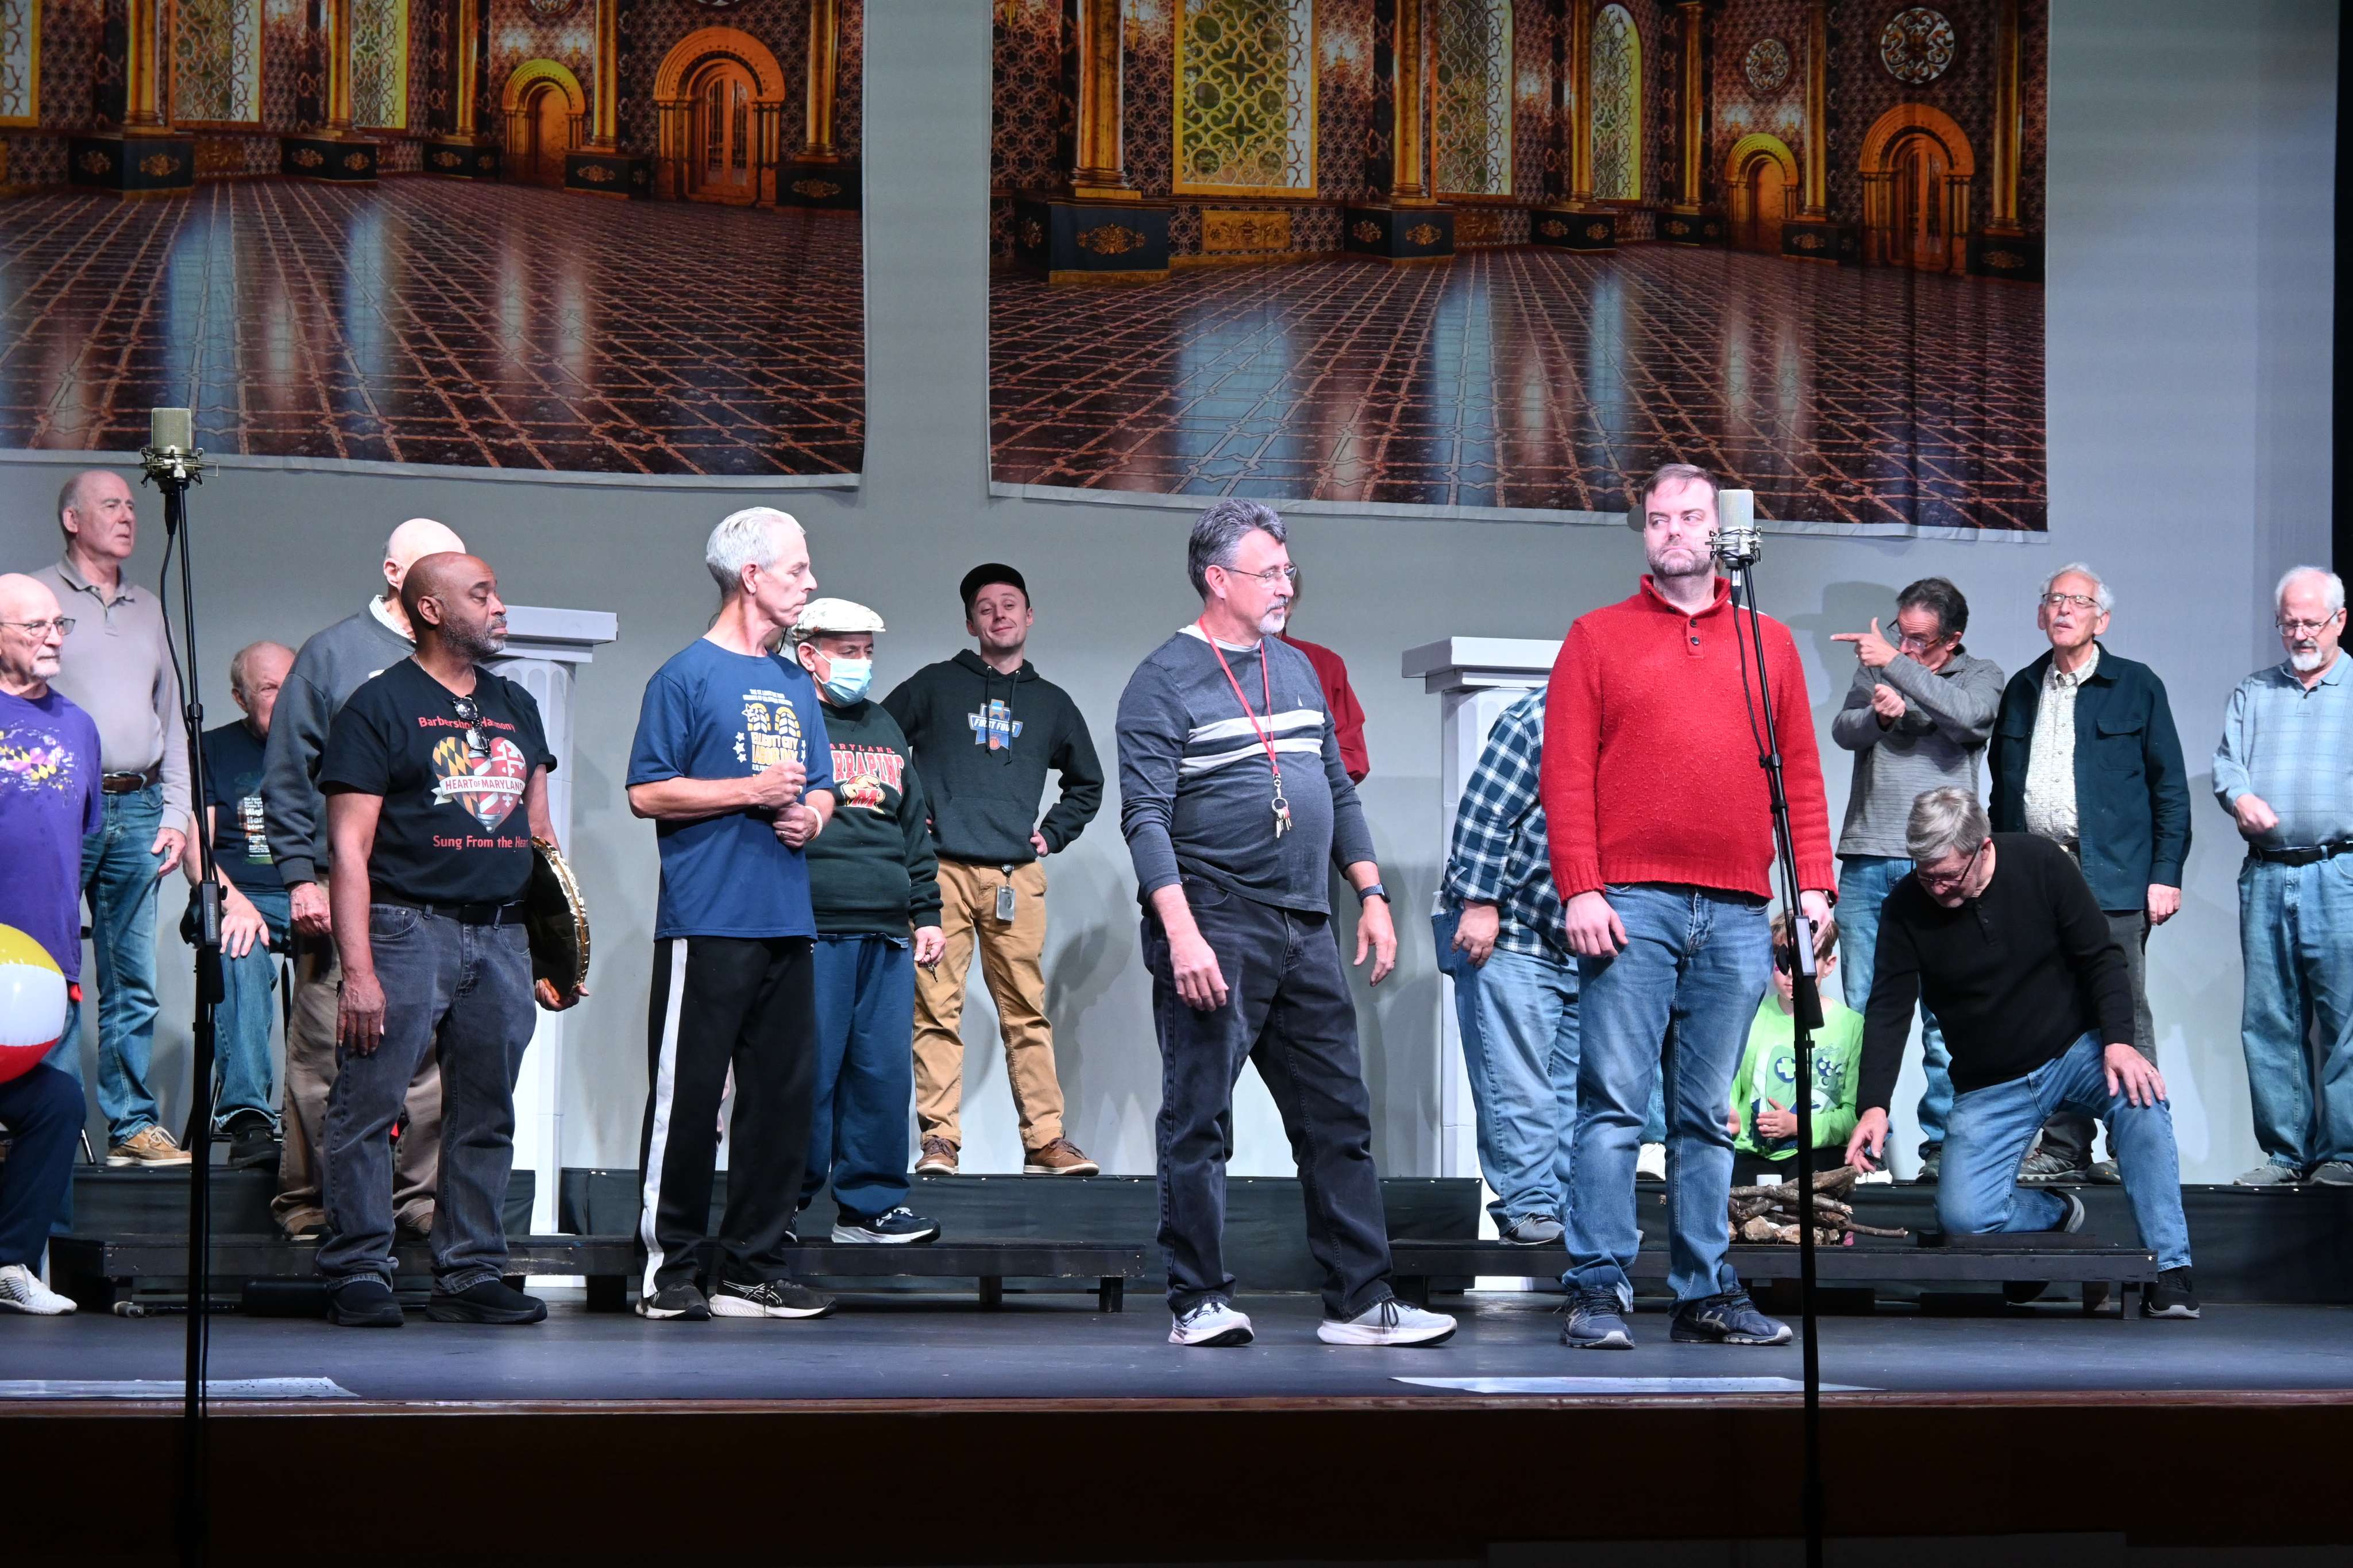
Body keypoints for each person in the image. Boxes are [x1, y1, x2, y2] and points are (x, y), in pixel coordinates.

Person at [1117, 499, 1454, 1348]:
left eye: (1288, 570)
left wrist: (1371, 894)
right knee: (1199, 1119)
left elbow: (1336, 788)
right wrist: (1181, 932)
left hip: (1306, 922)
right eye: (1268, 572)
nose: (1285, 585)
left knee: (1337, 1118)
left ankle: (1360, 1299)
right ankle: (1198, 1299)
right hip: (1214, 917)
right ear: (1216, 578)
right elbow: (1145, 819)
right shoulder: (1163, 680)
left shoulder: (1297, 668)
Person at [1541, 462, 1834, 1351]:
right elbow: (1565, 776)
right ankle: (1598, 1286)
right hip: (1632, 903)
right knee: (1612, 1105)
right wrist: (1580, 885)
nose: (1673, 530)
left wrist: (1814, 882)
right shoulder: (1596, 636)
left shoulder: (1767, 643)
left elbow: (1800, 774)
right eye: (1659, 518)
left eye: (1691, 516)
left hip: (1740, 908)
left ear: (1720, 529)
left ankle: (1704, 1289)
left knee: (1708, 1114)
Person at [315, 552, 572, 1328]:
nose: (500, 606)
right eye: (481, 594)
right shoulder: (380, 705)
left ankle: (470, 1270)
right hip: (405, 928)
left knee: (487, 1110)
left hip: (502, 934)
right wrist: (359, 971)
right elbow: (349, 850)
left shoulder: (515, 703)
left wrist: (559, 948)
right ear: (430, 609)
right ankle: (358, 1267)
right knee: (370, 1102)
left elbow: (540, 836)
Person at [1846, 788, 2198, 1319]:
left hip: (2072, 1051)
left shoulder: (2040, 864)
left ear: (1983, 848)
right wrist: (1873, 1104)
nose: (1937, 888)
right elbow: (1889, 1009)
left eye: (1949, 876)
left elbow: (2101, 958)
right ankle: (2054, 1213)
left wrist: (2120, 1043)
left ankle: (2171, 1268)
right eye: (1926, 876)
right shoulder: (1906, 906)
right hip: (1990, 1084)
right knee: (1965, 1220)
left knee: (2141, 1098)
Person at [626, 508, 839, 1322]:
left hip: (786, 917)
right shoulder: (684, 676)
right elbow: (648, 791)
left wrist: (811, 817)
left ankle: (752, 1266)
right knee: (689, 1099)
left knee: (782, 1102)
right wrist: (749, 791)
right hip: (708, 918)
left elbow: (820, 785)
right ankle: (669, 1269)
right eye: (797, 569)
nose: (810, 583)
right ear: (752, 576)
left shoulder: (794, 682)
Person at [264, 518, 465, 1240]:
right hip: (337, 883)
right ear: (394, 574)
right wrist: (300, 876)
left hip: (427, 893)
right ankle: (311, 1201)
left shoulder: (454, 663)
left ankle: (415, 1199)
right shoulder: (334, 653)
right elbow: (289, 774)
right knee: (327, 1047)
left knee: (428, 1057)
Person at [882, 563, 1102, 1178]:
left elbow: (1087, 782)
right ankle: (939, 1142)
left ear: (1029, 616)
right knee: (936, 1010)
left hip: (1015, 878)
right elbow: (878, 745)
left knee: (1026, 1012)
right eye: (986, 608)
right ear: (970, 623)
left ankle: (1046, 1142)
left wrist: (1052, 833)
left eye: (1010, 604)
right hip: (940, 874)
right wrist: (909, 812)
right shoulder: (934, 685)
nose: (999, 615)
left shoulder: (1052, 703)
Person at [1990, 563, 2190, 1184]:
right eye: (2054, 599)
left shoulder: (2136, 685)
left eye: (2077, 602)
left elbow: (2170, 789)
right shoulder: (2023, 687)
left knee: (2122, 1011)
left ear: (2101, 619)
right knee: (2052, 1015)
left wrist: (2165, 873)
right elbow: (2001, 793)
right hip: (2038, 877)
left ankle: (2137, 1145)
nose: (2063, 610)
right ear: (2040, 613)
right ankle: (2064, 1145)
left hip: (2115, 874)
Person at [30, 471, 192, 1168]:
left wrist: (178, 813)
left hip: (142, 804)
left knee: (133, 975)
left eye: (132, 505)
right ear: (73, 519)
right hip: (62, 806)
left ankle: (132, 1123)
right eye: (111, 505)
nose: (128, 515)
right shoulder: (36, 598)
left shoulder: (150, 606)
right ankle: (55, 1119)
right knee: (51, 967)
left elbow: (174, 720)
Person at [1829, 577, 2001, 1184]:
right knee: (1862, 1009)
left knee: (1944, 1016)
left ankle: (1946, 1150)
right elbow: (1844, 731)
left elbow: (1970, 720)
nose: (1904, 645)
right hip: (1869, 859)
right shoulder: (1882, 666)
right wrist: (1879, 715)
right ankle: (1865, 1151)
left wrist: (1897, 669)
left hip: (1942, 866)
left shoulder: (1979, 674)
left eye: (1919, 639)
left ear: (1953, 639)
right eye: (1900, 633)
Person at [788, 597, 947, 1244]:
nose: (862, 663)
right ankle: (780, 1208)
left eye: (868, 652)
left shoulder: (882, 724)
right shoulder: (789, 718)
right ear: (809, 654)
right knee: (807, 1074)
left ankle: (870, 1207)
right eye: (848, 652)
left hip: (886, 930)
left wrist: (926, 913)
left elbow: (913, 829)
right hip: (813, 926)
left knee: (882, 1075)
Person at [2212, 566, 2353, 1188]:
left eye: (2311, 623)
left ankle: (2345, 1153)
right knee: (2270, 1018)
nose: (2300, 634)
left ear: (2340, 621)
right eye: (2288, 623)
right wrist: (2240, 797)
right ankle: (2285, 1155)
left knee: (2345, 1019)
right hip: (2268, 874)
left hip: (2340, 870)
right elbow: (2227, 765)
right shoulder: (2255, 692)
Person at [1434, 687, 1576, 1245]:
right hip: (1512, 926)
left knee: (1576, 1089)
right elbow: (1486, 811)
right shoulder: (1539, 718)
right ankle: (1529, 1205)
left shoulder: (1643, 724)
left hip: (1582, 932)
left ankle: (1572, 1209)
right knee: (1518, 1083)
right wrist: (1478, 901)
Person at [0, 574, 101, 1316]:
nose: (53, 637)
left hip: (42, 972)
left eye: (59, 623)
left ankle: (13, 1262)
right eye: (35, 625)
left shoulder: (79, 728)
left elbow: (73, 842)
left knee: (57, 1101)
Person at [180, 640, 298, 1172]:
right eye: (270, 688)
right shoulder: (212, 748)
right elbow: (195, 852)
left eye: (291, 686)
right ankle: (248, 1117)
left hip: (309, 892)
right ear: (240, 697)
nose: (284, 698)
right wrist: (235, 902)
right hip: (238, 893)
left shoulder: (330, 749)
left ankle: (355, 1114)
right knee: (239, 946)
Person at [1729, 912, 1863, 1187]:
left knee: (1808, 1199)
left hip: (1819, 1151)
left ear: (1829, 965)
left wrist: (1799, 1125)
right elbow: (1731, 1090)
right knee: (1747, 1205)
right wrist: (1729, 1118)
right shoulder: (1749, 1018)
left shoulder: (1852, 1026)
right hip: (1751, 1153)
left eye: (1806, 960)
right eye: (1783, 960)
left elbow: (1853, 1113)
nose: (1792, 972)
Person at [1275, 570, 1370, 784]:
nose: (1277, 603)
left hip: (1314, 793)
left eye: (1285, 597)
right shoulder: (1213, 661)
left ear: (1293, 604)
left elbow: (1352, 755)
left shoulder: (1324, 664)